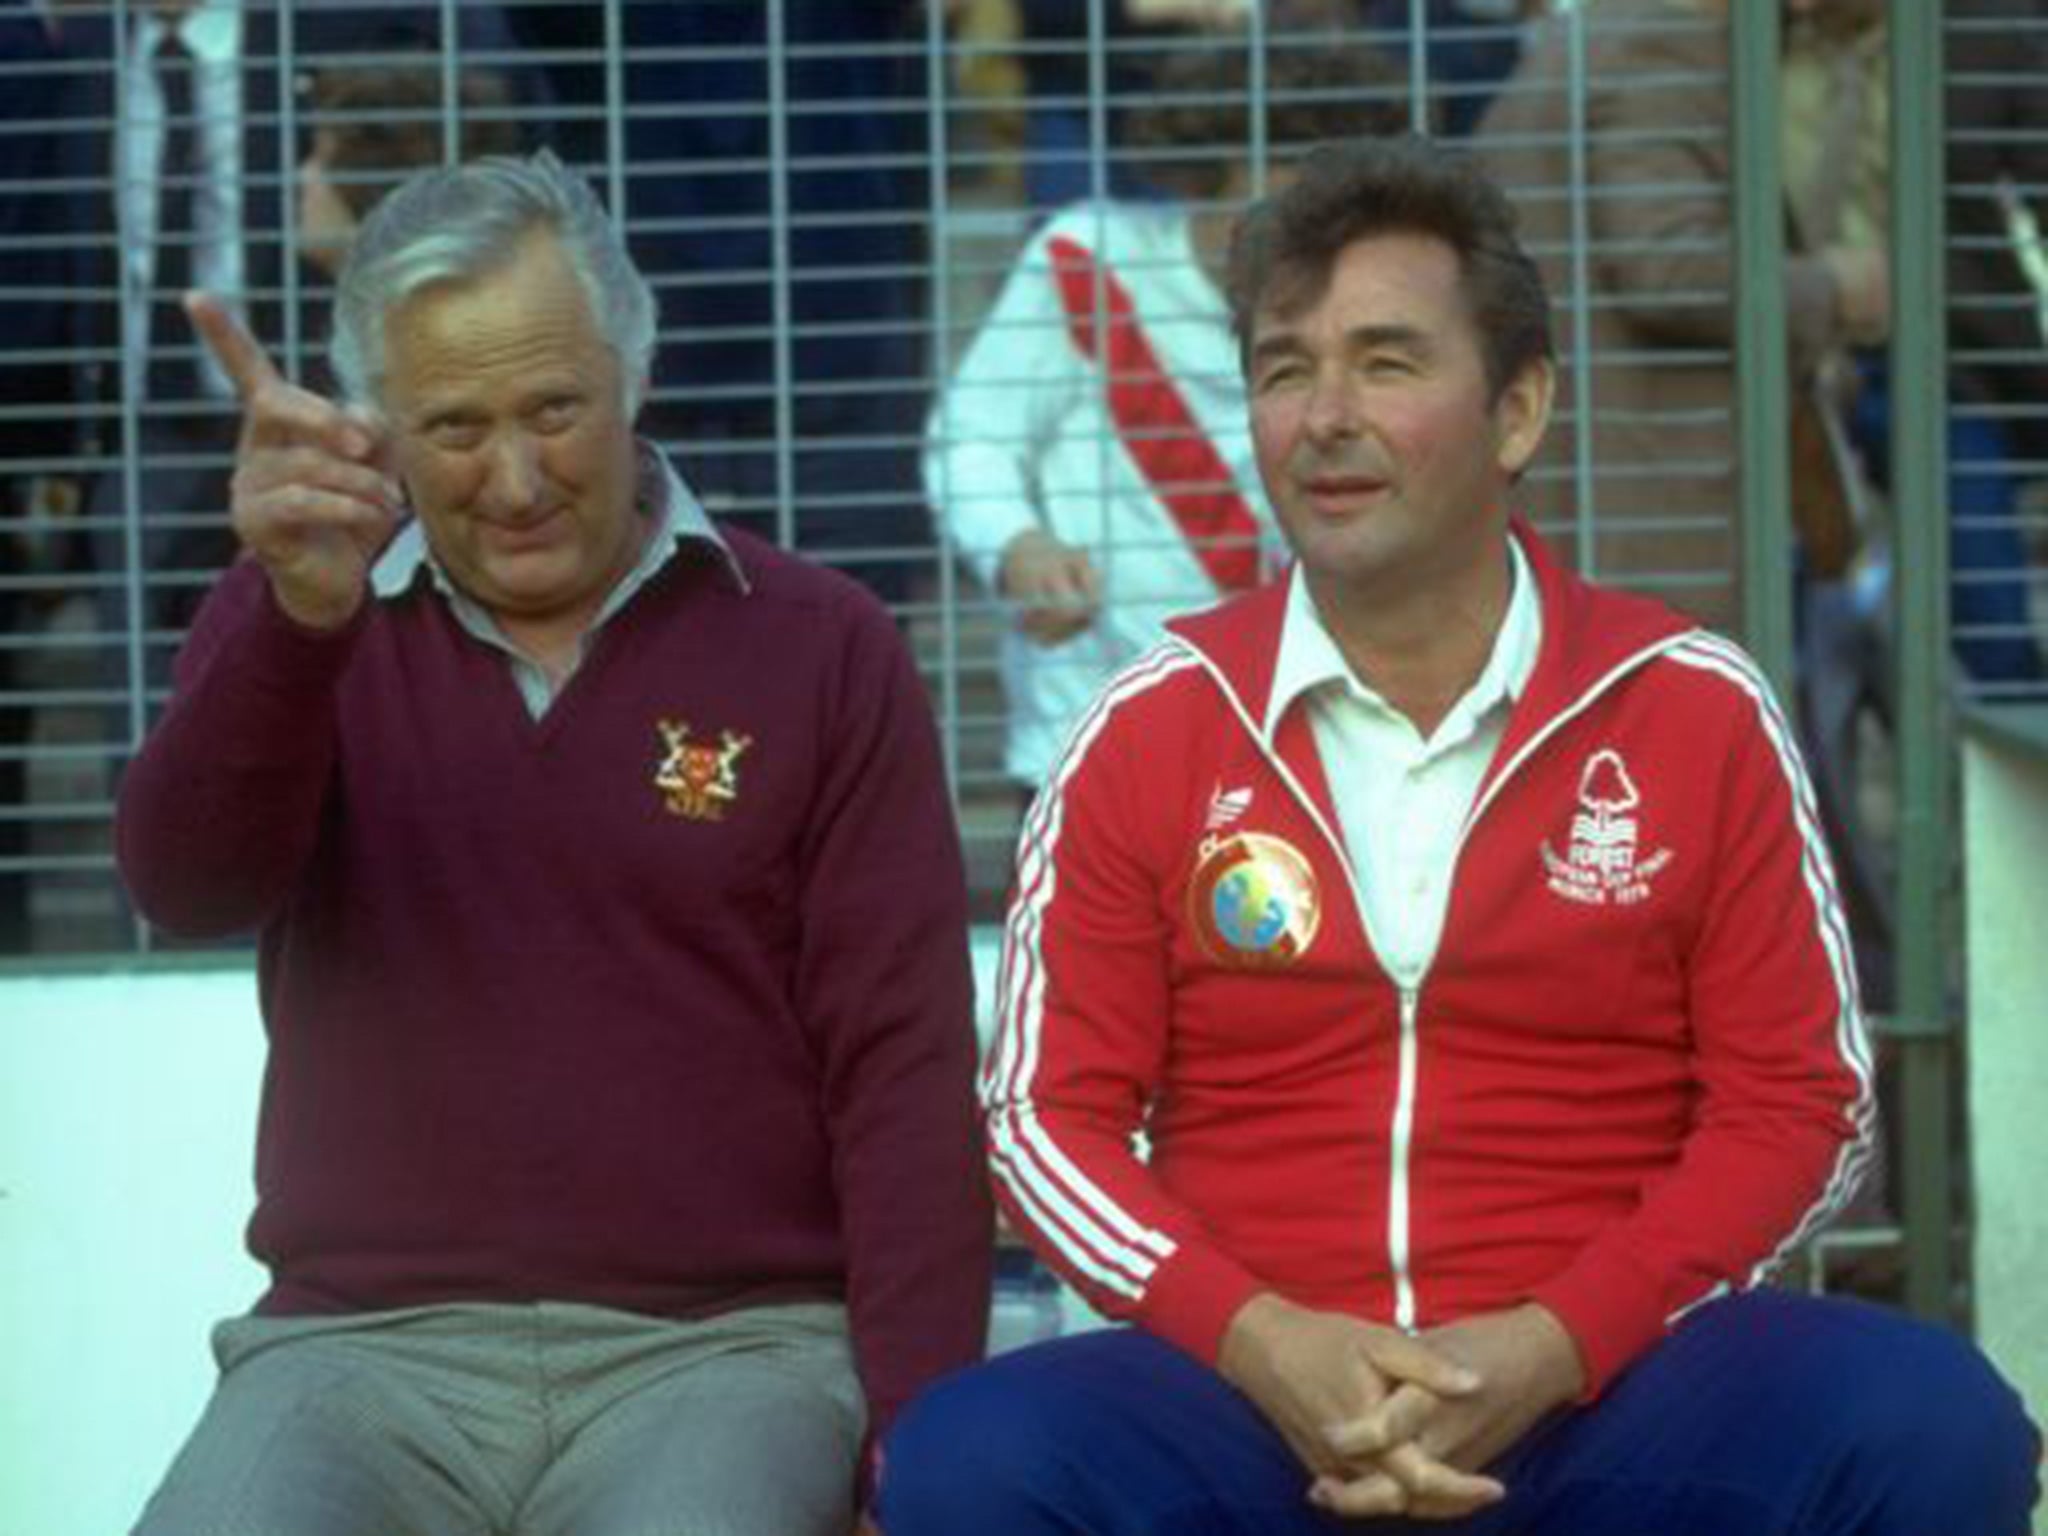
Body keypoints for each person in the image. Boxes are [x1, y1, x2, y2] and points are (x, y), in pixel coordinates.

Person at [876, 135, 2042, 1535]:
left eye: (1386, 360)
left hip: (1614, 1390)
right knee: (967, 1465)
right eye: (1283, 368)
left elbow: (1800, 1102)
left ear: (1519, 410)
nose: (1324, 415)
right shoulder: (1153, 726)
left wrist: (1553, 1342)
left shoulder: (1688, 707)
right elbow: (1044, 1117)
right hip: (1253, 1408)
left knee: (1936, 1424)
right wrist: (1268, 1343)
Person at [116, 150, 990, 1536]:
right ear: (378, 428)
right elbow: (185, 884)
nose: (516, 479)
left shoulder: (824, 644)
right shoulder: (296, 612)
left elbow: (905, 1071)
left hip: (728, 1354)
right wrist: (296, 627)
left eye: (555, 409)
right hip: (356, 1349)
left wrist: (919, 1445)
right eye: (454, 427)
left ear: (634, 374)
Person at [926, 44, 1408, 794]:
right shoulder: (1086, 262)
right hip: (1088, 732)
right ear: (1200, 179)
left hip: (1288, 736)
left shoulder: (1369, 305)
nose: (1303, 241)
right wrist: (1016, 545)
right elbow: (972, 438)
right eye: (1275, 206)